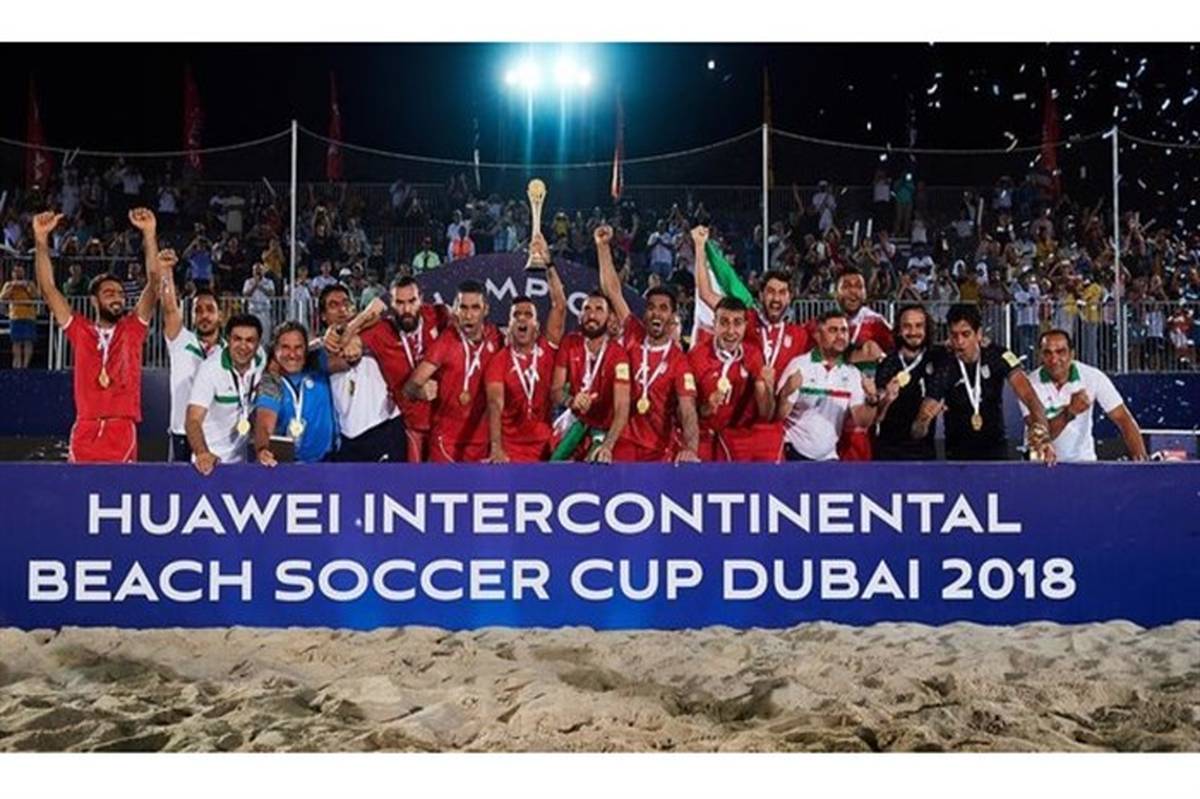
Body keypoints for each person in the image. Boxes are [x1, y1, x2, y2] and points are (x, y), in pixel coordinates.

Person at [32, 208, 160, 463]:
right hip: (84, 428)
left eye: (120, 294)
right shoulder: (81, 331)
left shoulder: (132, 329)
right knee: (77, 488)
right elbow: (48, 289)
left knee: (116, 487)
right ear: (94, 300)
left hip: (120, 429)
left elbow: (154, 285)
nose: (117, 298)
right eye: (109, 293)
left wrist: (149, 234)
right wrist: (41, 239)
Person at [691, 225, 809, 461]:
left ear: (790, 297)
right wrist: (700, 247)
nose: (776, 298)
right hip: (738, 423)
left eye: (782, 292)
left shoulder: (801, 335)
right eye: (771, 292)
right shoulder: (745, 319)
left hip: (775, 425)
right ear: (761, 294)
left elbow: (833, 345)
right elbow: (705, 292)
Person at [595, 224, 700, 463]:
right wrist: (602, 247)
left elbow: (688, 412)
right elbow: (613, 291)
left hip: (658, 452)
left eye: (663, 308)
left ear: (673, 316)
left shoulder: (679, 361)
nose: (656, 313)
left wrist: (691, 448)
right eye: (651, 307)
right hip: (621, 444)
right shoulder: (633, 332)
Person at [912, 303, 1055, 462]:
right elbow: (918, 430)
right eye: (954, 335)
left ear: (979, 334)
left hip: (996, 454)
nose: (959, 341)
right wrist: (924, 420)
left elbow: (1030, 397)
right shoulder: (944, 363)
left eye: (966, 334)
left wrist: (1044, 438)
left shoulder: (997, 356)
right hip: (957, 458)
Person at [342, 276, 451, 462]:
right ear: (391, 304)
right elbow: (342, 342)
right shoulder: (381, 331)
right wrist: (363, 317)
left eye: (412, 301)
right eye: (399, 303)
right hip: (411, 427)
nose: (406, 309)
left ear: (421, 299)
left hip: (444, 424)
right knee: (414, 479)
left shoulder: (437, 315)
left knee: (447, 478)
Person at [484, 235, 568, 463]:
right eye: (517, 315)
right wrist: (496, 448)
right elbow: (495, 405)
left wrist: (548, 263)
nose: (522, 318)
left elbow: (560, 305)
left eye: (528, 314)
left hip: (546, 450)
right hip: (510, 451)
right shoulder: (499, 361)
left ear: (537, 325)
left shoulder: (547, 349)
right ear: (509, 325)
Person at [403, 280, 502, 463]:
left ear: (486, 310)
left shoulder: (496, 338)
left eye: (475, 308)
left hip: (483, 443)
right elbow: (409, 387)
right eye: (463, 307)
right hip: (446, 443)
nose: (468, 315)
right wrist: (420, 391)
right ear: (455, 310)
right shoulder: (446, 342)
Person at [1021, 329, 1148, 462]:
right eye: (1047, 353)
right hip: (1040, 465)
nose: (1054, 359)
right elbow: (1039, 435)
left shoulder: (1093, 377)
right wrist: (1070, 412)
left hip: (1083, 462)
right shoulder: (1028, 385)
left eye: (1061, 352)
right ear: (1040, 356)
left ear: (1072, 354)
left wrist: (1140, 461)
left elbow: (1123, 419)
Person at [318, 284, 405, 463]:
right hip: (349, 437)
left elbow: (382, 305)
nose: (342, 309)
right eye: (333, 305)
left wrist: (354, 328)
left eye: (346, 303)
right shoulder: (320, 348)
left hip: (386, 427)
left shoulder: (376, 332)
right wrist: (346, 346)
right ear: (323, 316)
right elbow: (336, 362)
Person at [777, 309, 878, 461]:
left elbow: (862, 421)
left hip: (829, 458)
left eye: (844, 330)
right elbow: (779, 416)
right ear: (818, 335)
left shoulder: (853, 374)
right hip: (793, 453)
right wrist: (786, 393)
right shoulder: (799, 366)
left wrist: (872, 399)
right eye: (833, 330)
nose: (840, 336)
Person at [159, 247, 229, 463]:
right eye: (198, 310)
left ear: (221, 316)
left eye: (210, 309)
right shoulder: (181, 340)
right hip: (181, 434)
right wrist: (166, 271)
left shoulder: (230, 352)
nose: (204, 315)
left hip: (217, 438)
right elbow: (170, 308)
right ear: (191, 315)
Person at [688, 297, 777, 461]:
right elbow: (684, 412)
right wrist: (706, 408)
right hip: (706, 439)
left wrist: (769, 389)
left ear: (745, 325)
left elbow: (766, 414)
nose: (730, 331)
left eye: (737, 323)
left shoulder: (753, 355)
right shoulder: (696, 356)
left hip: (740, 441)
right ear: (714, 324)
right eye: (724, 322)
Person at [549, 291, 632, 463]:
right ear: (580, 315)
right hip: (576, 421)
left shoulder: (618, 355)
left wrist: (608, 445)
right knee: (552, 463)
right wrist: (571, 401)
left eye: (599, 309)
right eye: (587, 309)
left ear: (609, 317)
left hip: (604, 428)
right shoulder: (570, 343)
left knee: (596, 463)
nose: (592, 315)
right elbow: (555, 391)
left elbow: (622, 407)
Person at [185, 314, 265, 475]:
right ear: (228, 339)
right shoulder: (210, 369)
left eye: (250, 340)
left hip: (242, 462)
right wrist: (202, 453)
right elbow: (193, 419)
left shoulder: (261, 359)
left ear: (258, 343)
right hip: (210, 463)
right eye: (237, 339)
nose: (243, 346)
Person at [253, 321, 338, 466]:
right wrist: (263, 449)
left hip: (326, 464)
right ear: (275, 349)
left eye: (298, 347)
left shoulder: (318, 365)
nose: (292, 354)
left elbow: (347, 360)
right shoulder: (271, 380)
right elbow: (264, 424)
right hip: (287, 467)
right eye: (285, 347)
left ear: (306, 349)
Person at [874, 304, 950, 460]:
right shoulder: (887, 364)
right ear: (899, 330)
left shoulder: (938, 357)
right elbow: (877, 417)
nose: (913, 331)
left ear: (927, 329)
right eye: (907, 326)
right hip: (889, 452)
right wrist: (887, 399)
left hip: (925, 453)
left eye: (919, 326)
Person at [1, 263, 40, 369]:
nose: (18, 273)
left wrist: (26, 287)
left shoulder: (30, 284)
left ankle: (25, 365)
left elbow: (36, 296)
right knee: (16, 341)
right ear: (12, 273)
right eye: (16, 271)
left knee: (28, 341)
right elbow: (3, 297)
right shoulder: (8, 284)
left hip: (29, 316)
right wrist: (12, 287)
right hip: (15, 316)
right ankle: (17, 364)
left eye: (20, 271)